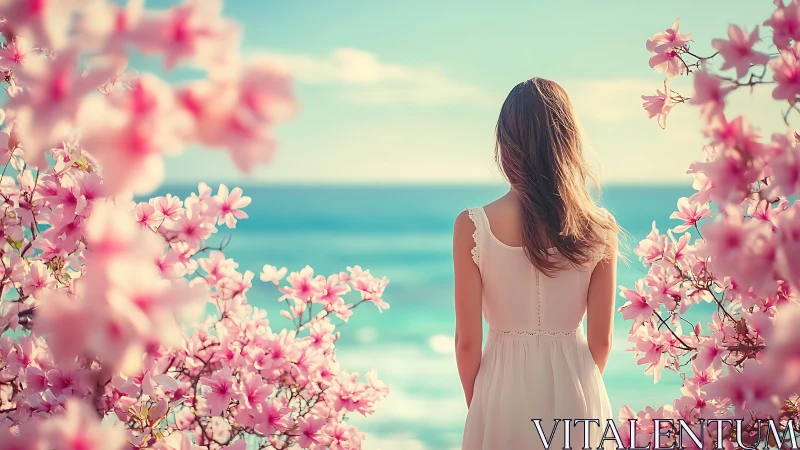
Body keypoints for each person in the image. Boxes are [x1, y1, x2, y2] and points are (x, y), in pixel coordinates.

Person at [454, 77, 619, 449]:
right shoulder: (600, 228)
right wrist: (580, 389)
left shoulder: (472, 225)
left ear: (506, 144)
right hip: (578, 387)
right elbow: (602, 341)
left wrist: (480, 405)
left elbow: (467, 343)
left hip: (501, 388)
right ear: (568, 141)